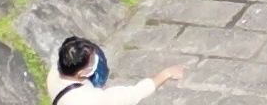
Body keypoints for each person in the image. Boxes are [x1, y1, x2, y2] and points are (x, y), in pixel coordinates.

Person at [49, 38, 185, 105]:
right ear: (82, 73)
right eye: (92, 63)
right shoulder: (94, 99)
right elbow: (133, 93)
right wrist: (166, 74)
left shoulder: (53, 74)